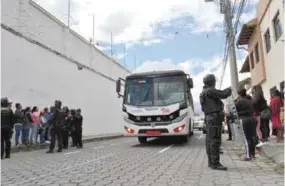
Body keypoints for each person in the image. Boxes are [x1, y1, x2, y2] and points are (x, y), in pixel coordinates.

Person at [200, 74, 231, 171]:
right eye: (214, 81)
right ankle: (215, 163)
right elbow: (223, 94)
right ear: (212, 82)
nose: (215, 83)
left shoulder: (203, 92)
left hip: (209, 118)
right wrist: (229, 89)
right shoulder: (210, 90)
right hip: (214, 118)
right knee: (215, 140)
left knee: (210, 140)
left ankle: (211, 162)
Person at [235, 88, 256, 161]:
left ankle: (248, 156)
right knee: (251, 138)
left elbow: (234, 110)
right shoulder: (250, 101)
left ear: (239, 94)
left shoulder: (239, 102)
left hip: (244, 120)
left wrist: (236, 100)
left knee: (246, 139)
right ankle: (253, 154)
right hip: (252, 119)